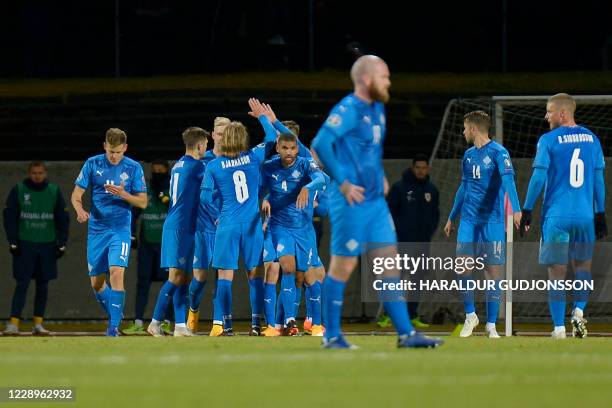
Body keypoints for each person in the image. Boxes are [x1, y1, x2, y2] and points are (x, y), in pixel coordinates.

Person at [312, 55, 443, 349]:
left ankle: (406, 334)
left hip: (375, 204)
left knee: (388, 267)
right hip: (351, 202)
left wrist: (381, 174)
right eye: (384, 77)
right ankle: (331, 336)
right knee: (342, 268)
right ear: (367, 79)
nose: (389, 82)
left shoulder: (378, 108)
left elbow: (370, 150)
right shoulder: (349, 108)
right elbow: (320, 144)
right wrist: (343, 182)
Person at [520, 93, 606, 339]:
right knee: (582, 270)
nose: (545, 116)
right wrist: (600, 213)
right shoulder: (592, 138)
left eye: (548, 111)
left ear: (562, 113)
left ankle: (558, 328)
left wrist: (527, 209)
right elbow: (599, 180)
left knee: (556, 274)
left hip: (557, 216)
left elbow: (538, 177)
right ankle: (578, 312)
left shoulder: (548, 140)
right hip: (585, 216)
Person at [444, 111, 522, 338]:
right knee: (462, 267)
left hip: (493, 221)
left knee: (492, 272)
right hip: (469, 220)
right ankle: (470, 315)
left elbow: (508, 181)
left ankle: (491, 325)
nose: (463, 132)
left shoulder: (499, 152)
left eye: (465, 128)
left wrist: (516, 210)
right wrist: (452, 216)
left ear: (474, 129)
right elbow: (463, 188)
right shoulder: (467, 156)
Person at [201, 121, 275, 337]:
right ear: (243, 139)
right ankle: (255, 324)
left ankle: (227, 325)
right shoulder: (254, 157)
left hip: (228, 225)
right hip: (252, 225)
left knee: (225, 276)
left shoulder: (213, 166)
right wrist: (263, 117)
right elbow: (271, 136)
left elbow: (205, 197)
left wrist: (216, 215)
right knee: (255, 275)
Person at [71, 128, 148, 336]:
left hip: (120, 229)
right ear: (105, 146)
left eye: (118, 152)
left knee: (116, 272)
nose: (114, 156)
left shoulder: (133, 168)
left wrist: (124, 194)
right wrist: (80, 211)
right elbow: (76, 195)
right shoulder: (92, 164)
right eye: (111, 151)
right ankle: (116, 312)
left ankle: (113, 327)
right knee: (96, 283)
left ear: (125, 148)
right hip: (97, 229)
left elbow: (142, 202)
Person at [260, 133, 327, 336]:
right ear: (278, 148)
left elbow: (322, 179)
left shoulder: (306, 165)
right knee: (287, 267)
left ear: (298, 149)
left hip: (304, 230)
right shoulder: (269, 166)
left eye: (293, 148)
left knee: (311, 275)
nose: (289, 152)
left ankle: (316, 323)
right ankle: (288, 321)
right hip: (280, 226)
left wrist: (308, 188)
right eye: (285, 148)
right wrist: (263, 198)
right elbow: (259, 188)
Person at [147, 127, 208, 337]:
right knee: (175, 277)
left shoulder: (179, 164)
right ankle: (155, 322)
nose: (206, 148)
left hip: (183, 226)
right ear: (199, 145)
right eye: (206, 145)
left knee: (182, 276)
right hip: (180, 227)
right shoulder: (197, 167)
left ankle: (180, 325)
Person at [2, 161, 69, 335]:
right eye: (34, 173)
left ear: (45, 173)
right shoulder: (19, 190)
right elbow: (9, 217)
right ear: (28, 173)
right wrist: (13, 241)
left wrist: (61, 243)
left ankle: (38, 324)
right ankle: (13, 323)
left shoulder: (54, 191)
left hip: (47, 245)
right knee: (22, 284)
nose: (37, 176)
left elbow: (63, 219)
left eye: (40, 172)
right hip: (25, 244)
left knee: (43, 286)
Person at [385, 154, 440, 328]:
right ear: (412, 168)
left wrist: (427, 234)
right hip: (400, 243)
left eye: (424, 168)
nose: (421, 171)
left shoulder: (432, 190)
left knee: (417, 280)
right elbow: (389, 214)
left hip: (422, 243)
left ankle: (412, 314)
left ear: (428, 169)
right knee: (397, 279)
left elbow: (435, 216)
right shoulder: (399, 188)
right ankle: (389, 315)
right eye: (418, 167)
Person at [123, 159, 172, 335]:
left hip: (167, 246)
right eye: (154, 170)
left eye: (161, 170)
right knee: (142, 283)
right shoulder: (144, 191)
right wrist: (132, 235)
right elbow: (134, 213)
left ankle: (166, 322)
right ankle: (137, 322)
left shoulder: (172, 189)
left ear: (167, 171)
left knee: (170, 283)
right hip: (147, 246)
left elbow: (177, 210)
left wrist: (164, 197)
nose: (157, 174)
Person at [192, 117, 230, 337]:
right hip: (202, 227)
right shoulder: (200, 161)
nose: (222, 136)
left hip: (225, 228)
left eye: (227, 132)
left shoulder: (236, 162)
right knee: (200, 278)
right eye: (219, 132)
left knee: (223, 277)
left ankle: (218, 323)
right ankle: (193, 311)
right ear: (212, 135)